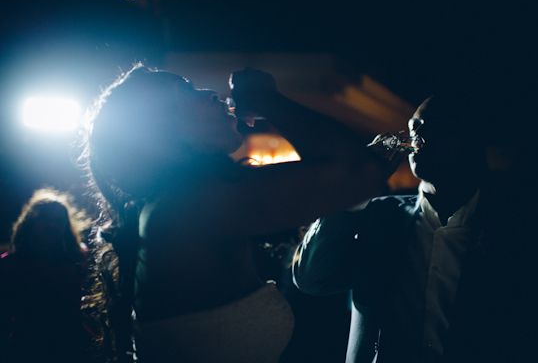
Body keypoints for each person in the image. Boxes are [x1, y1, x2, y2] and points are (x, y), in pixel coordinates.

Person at [78, 64, 396, 363]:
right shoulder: (186, 205)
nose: (211, 93)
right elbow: (359, 170)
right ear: (156, 127)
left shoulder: (181, 200)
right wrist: (264, 98)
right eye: (185, 91)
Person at [293, 95, 538, 362]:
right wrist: (353, 190)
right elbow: (312, 279)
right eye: (414, 126)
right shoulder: (377, 215)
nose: (418, 136)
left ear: (471, 142)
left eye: (437, 128)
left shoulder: (515, 230)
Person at [0, 188, 92, 363]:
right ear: (30, 223)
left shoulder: (78, 261)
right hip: (29, 349)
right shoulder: (10, 264)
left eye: (58, 221)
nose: (52, 225)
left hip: (73, 348)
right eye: (45, 219)